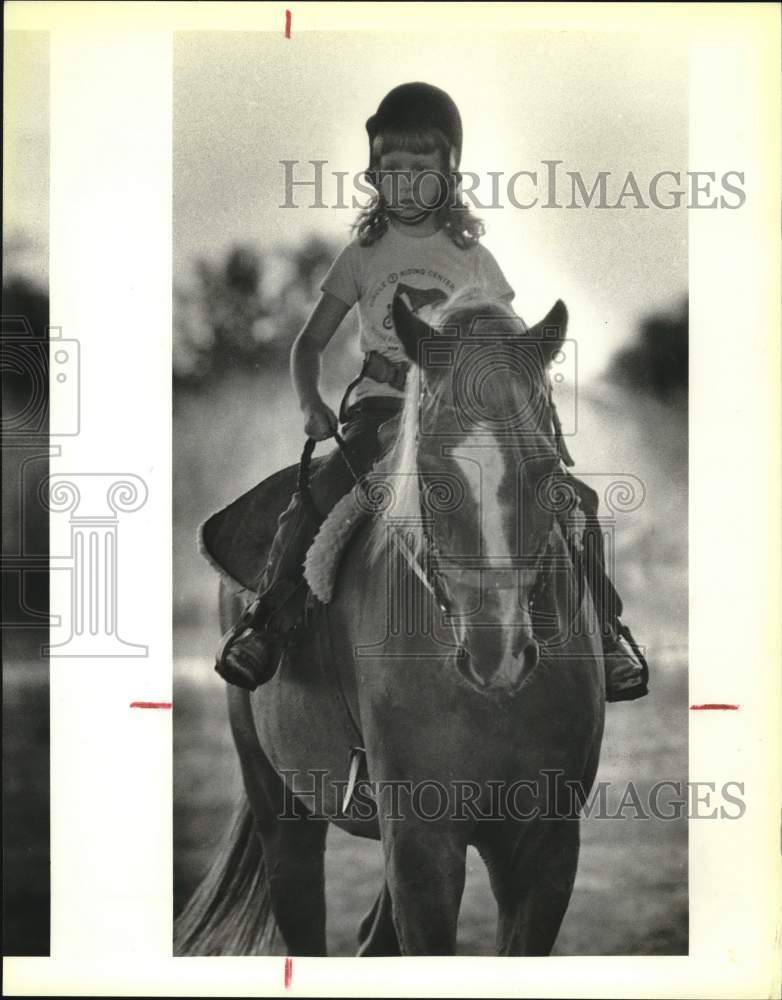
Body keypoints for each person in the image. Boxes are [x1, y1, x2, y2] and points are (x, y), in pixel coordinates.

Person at [215, 81, 648, 702]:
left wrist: (538, 428)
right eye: (392, 169)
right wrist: (311, 402)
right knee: (323, 496)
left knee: (571, 501)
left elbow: (515, 354)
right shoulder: (361, 256)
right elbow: (307, 344)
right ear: (374, 176)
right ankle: (268, 624)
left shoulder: (472, 258)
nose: (407, 183)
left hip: (462, 414)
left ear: (448, 173)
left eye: (422, 169)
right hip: (382, 409)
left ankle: (605, 632)